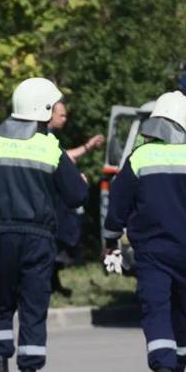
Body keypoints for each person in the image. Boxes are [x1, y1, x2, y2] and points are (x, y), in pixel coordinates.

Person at [0, 78, 88, 372]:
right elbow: (76, 194)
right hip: (39, 240)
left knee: (2, 306)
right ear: (43, 109)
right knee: (33, 312)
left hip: (4, 238)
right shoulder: (50, 147)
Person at [102, 91, 186, 372]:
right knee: (183, 314)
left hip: (152, 252)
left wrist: (110, 240)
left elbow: (118, 205)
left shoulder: (138, 158)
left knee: (156, 313)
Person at [46, 101, 105, 297]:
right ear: (49, 115)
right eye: (61, 115)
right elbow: (63, 159)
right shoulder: (44, 137)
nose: (65, 119)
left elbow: (63, 157)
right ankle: (50, 284)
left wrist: (87, 147)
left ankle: (53, 283)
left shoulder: (48, 137)